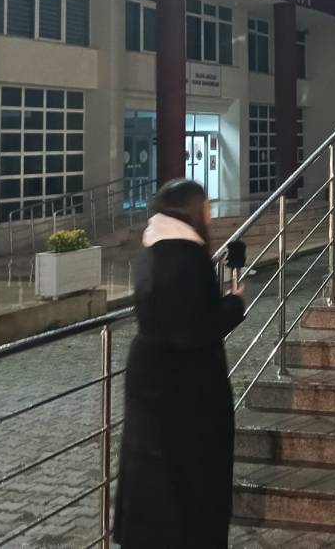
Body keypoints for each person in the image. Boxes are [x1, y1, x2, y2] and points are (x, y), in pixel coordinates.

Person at [114, 179, 246, 549]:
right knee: (189, 490)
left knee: (153, 482)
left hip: (150, 385)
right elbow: (193, 329)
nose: (210, 215)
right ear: (191, 212)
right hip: (186, 394)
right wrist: (234, 304)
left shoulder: (151, 252)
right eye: (206, 208)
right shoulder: (186, 257)